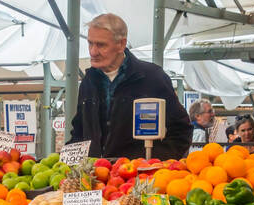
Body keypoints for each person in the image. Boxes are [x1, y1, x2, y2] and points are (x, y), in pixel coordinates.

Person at [69, 13, 190, 160]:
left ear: (121, 44)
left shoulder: (152, 77)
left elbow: (181, 129)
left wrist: (154, 161)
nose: (93, 51)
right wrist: (67, 161)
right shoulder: (89, 81)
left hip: (136, 176)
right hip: (97, 176)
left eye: (101, 45)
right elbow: (79, 132)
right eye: (90, 43)